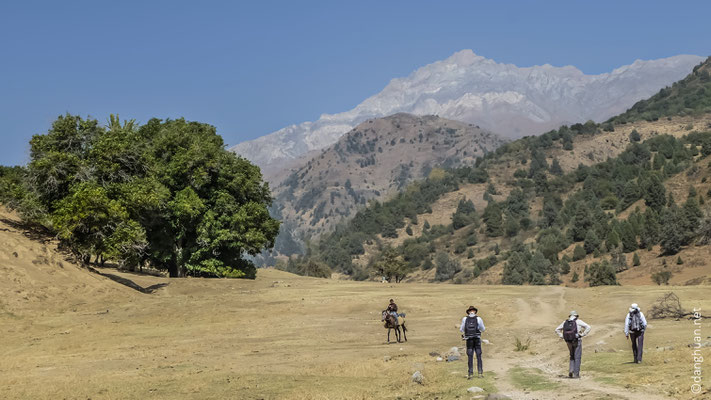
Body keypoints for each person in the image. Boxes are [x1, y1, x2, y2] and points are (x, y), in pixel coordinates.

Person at [555, 310, 591, 378]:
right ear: (576, 316)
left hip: (568, 341)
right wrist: (583, 334)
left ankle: (571, 370)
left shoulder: (565, 322)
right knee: (577, 357)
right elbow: (588, 327)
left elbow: (557, 330)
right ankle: (576, 374)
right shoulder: (578, 321)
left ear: (570, 315)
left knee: (572, 356)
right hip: (577, 340)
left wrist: (562, 336)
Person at [460, 306, 486, 379]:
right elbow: (483, 329)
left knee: (470, 356)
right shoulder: (478, 318)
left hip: (469, 340)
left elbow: (461, 329)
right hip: (477, 339)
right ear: (475, 311)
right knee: (479, 356)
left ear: (468, 312)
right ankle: (480, 373)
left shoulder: (465, 319)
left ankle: (470, 374)